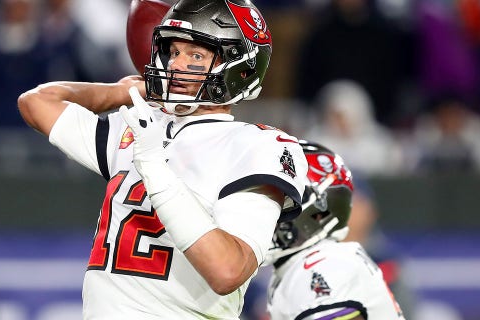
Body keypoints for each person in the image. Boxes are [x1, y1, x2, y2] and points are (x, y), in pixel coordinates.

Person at [17, 0, 308, 318]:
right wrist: (120, 92)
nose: (177, 65)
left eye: (196, 55)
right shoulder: (141, 123)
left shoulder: (258, 145)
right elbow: (37, 102)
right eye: (173, 52)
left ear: (239, 67)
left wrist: (155, 167)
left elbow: (228, 270)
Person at [265, 141, 405, 320]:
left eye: (280, 199)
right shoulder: (309, 262)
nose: (264, 208)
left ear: (317, 210)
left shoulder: (325, 265)